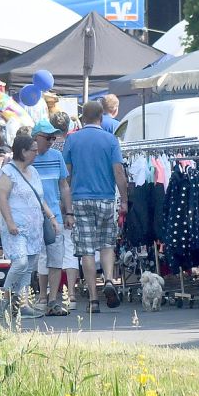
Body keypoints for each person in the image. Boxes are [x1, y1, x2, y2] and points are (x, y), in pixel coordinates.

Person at [63, 101, 128, 313]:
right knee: (107, 244)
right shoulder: (111, 140)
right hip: (106, 198)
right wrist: (124, 200)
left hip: (80, 199)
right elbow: (119, 172)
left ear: (83, 118)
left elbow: (67, 175)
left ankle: (92, 299)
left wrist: (67, 207)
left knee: (87, 251)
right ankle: (109, 279)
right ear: (102, 116)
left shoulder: (72, 139)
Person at [0, 134, 58, 320]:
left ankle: (22, 304)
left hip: (34, 228)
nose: (36, 153)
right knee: (21, 262)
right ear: (22, 151)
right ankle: (6, 297)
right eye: (33, 150)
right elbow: (2, 198)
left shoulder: (34, 172)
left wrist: (51, 217)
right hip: (16, 227)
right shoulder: (8, 172)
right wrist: (9, 222)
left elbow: (40, 198)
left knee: (29, 267)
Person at [31, 119, 74, 316]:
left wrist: (69, 212)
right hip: (32, 217)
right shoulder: (28, 159)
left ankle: (52, 299)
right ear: (35, 138)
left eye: (53, 137)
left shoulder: (57, 156)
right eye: (47, 137)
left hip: (55, 215)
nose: (51, 141)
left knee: (56, 258)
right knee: (40, 258)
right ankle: (41, 297)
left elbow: (64, 185)